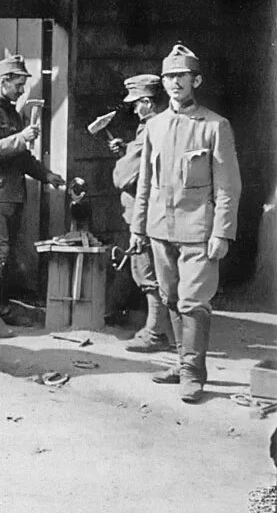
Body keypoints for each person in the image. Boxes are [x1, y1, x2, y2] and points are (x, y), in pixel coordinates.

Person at [131, 45, 240, 403]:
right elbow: (145, 180)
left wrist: (222, 232)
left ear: (197, 80)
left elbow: (228, 185)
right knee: (171, 298)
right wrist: (137, 226)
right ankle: (181, 364)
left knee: (193, 302)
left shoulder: (214, 126)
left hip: (198, 231)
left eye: (182, 76)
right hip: (160, 229)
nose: (175, 83)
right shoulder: (155, 126)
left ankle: (194, 375)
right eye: (168, 77)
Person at [0, 51, 66, 338]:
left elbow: (21, 158)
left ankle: (1, 306)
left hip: (10, 196)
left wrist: (46, 175)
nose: (23, 89)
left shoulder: (9, 110)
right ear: (3, 81)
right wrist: (20, 138)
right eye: (19, 84)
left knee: (6, 256)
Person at [108, 73, 172, 353]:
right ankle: (156, 328)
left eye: (136, 104)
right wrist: (125, 149)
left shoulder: (150, 128)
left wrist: (123, 161)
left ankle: (156, 333)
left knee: (146, 272)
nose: (134, 109)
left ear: (147, 102)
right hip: (156, 212)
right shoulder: (162, 124)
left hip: (144, 215)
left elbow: (123, 177)